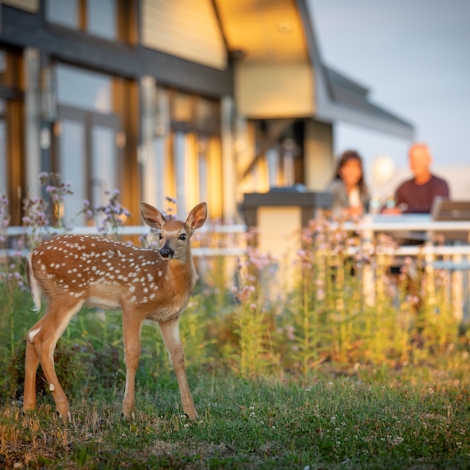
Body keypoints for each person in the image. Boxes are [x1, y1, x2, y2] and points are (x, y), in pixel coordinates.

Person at [383, 143, 449, 214]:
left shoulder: (440, 185)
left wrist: (402, 211)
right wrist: (388, 211)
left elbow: (434, 209)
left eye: (419, 159)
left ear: (429, 160)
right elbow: (387, 206)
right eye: (412, 159)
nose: (415, 163)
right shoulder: (405, 186)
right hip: (410, 225)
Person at [328, 150, 369, 217]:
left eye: (356, 167)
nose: (352, 172)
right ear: (339, 170)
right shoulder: (333, 189)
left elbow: (372, 211)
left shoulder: (364, 191)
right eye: (348, 167)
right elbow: (325, 211)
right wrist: (347, 211)